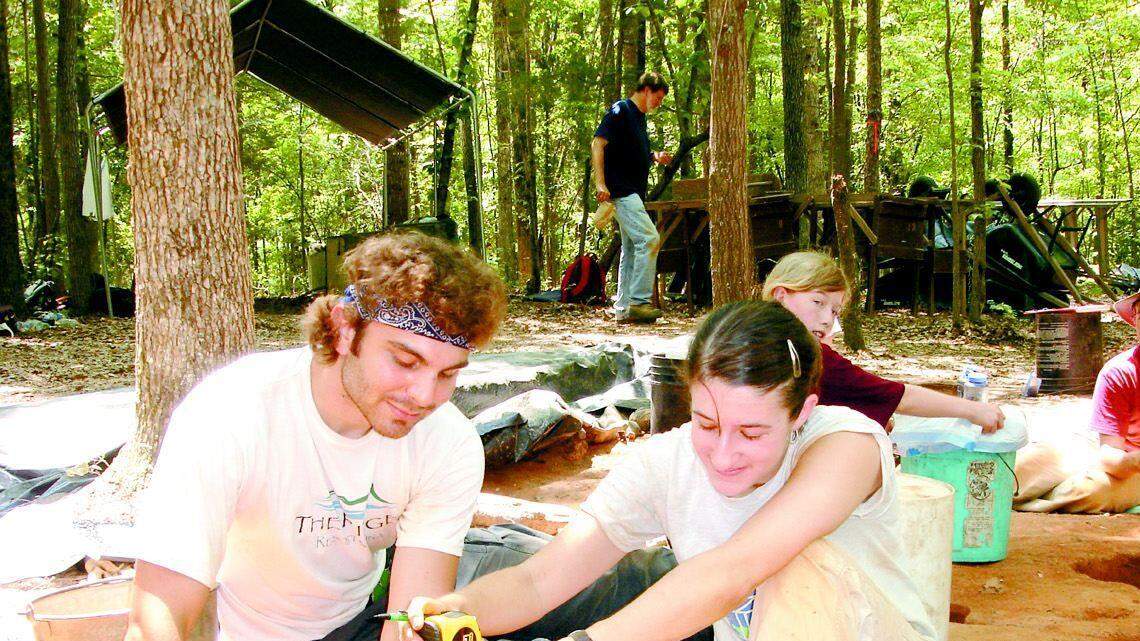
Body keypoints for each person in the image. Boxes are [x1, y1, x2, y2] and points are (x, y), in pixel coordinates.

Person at [401, 301, 935, 641]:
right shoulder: (664, 463)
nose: (724, 454)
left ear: (801, 412)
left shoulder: (846, 444)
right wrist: (453, 612)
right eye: (707, 423)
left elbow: (735, 569)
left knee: (794, 567)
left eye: (752, 433)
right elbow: (540, 580)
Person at [124, 232, 508, 641]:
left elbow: (412, 623)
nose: (425, 396)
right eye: (405, 361)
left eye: (448, 373)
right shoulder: (230, 413)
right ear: (345, 330)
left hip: (365, 617)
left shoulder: (447, 441)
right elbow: (157, 616)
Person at [761, 251, 1005, 433]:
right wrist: (974, 410)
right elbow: (900, 397)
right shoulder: (809, 357)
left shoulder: (751, 335)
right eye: (818, 302)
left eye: (835, 311)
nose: (827, 320)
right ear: (781, 295)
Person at [1014, 290, 1140, 513]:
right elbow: (1110, 453)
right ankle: (966, 495)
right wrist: (1131, 461)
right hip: (1108, 448)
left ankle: (1033, 504)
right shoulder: (1121, 371)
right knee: (1027, 466)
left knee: (1090, 490)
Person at [592, 71, 673, 325]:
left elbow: (633, 151)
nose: (658, 103)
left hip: (634, 192)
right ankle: (639, 302)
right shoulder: (621, 110)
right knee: (649, 239)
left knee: (631, 248)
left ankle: (624, 308)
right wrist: (600, 182)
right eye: (658, 97)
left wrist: (654, 156)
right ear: (646, 90)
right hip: (621, 192)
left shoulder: (638, 119)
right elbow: (598, 143)